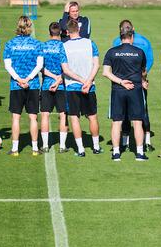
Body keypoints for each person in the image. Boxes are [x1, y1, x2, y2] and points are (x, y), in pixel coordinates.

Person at [102, 21, 148, 161]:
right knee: (137, 122)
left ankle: (116, 153)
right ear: (131, 36)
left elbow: (105, 73)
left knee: (117, 122)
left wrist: (121, 81)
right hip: (135, 89)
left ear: (120, 36)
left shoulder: (112, 52)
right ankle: (139, 153)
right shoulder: (140, 52)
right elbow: (143, 72)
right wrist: (142, 80)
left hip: (118, 89)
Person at [4, 16, 44, 156]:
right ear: (30, 27)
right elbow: (39, 65)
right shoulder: (37, 44)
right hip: (32, 85)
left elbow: (7, 65)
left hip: (16, 85)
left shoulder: (10, 44)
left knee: (16, 117)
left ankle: (15, 149)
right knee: (33, 117)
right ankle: (34, 148)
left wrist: (19, 79)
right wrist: (28, 79)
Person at [111, 21, 154, 151]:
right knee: (139, 113)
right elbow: (148, 62)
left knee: (126, 114)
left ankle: (138, 142)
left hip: (126, 84)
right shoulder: (142, 41)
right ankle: (132, 143)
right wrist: (143, 79)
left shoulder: (141, 41)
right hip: (136, 82)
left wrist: (142, 79)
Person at [61, 19, 101, 157]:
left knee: (74, 118)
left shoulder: (64, 46)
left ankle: (81, 149)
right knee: (92, 117)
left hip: (72, 86)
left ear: (67, 32)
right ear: (79, 30)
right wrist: (88, 81)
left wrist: (81, 80)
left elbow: (65, 70)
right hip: (89, 86)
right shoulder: (90, 43)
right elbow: (96, 64)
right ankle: (96, 147)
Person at [41, 22, 69, 153]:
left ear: (49, 33)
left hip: (47, 84)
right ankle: (62, 146)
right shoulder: (64, 46)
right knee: (63, 115)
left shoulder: (43, 46)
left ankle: (45, 145)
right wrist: (58, 79)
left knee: (45, 115)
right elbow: (68, 68)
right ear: (60, 33)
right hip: (62, 85)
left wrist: (52, 77)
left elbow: (40, 67)